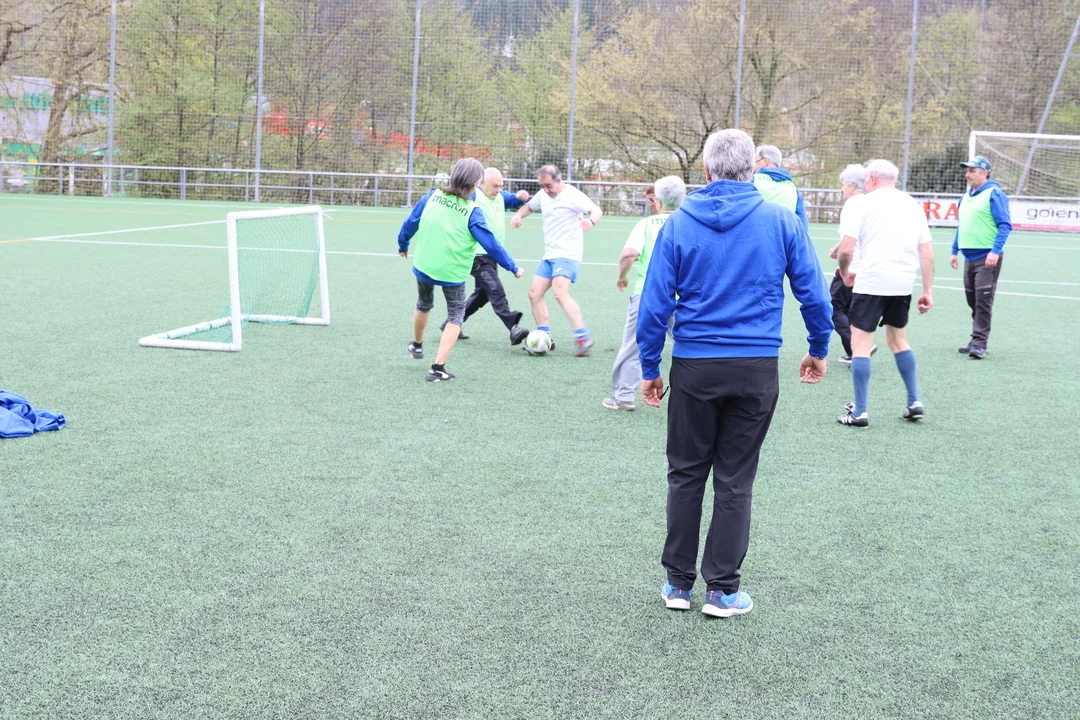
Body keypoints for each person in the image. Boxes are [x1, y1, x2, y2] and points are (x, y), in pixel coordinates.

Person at [637, 129, 833, 618]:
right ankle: (722, 590)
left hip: (694, 365)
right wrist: (818, 347)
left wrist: (649, 366)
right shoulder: (781, 220)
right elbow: (813, 291)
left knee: (686, 474)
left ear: (706, 171)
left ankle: (677, 584)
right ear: (753, 170)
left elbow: (654, 303)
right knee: (735, 478)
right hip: (755, 366)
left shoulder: (678, 222)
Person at [397, 158, 524, 382]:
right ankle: (437, 368)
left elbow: (411, 222)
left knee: (424, 303)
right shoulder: (472, 211)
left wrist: (403, 244)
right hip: (452, 273)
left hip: (425, 265)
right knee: (456, 315)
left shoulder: (431, 195)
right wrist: (512, 266)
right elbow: (491, 244)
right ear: (476, 183)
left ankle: (417, 345)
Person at [835, 159, 934, 427]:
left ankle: (860, 412)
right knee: (898, 341)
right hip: (902, 284)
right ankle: (914, 401)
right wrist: (927, 290)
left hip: (870, 283)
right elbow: (926, 251)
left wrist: (844, 272)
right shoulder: (912, 204)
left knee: (860, 345)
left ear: (871, 179)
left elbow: (846, 249)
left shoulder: (862, 203)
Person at [602, 175, 686, 411]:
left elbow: (629, 254)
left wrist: (622, 276)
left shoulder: (646, 224)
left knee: (633, 345)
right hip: (683, 297)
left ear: (657, 200)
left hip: (648, 295)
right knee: (689, 343)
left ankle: (623, 397)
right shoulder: (688, 223)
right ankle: (694, 394)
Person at [509, 164, 603, 356]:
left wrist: (591, 221)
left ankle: (583, 338)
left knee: (560, 293)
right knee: (534, 294)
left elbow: (596, 210)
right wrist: (519, 215)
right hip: (550, 254)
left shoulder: (572, 195)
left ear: (559, 180)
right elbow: (530, 206)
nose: (546, 190)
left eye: (549, 185)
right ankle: (546, 337)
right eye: (542, 186)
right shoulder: (543, 195)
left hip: (567, 253)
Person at [440, 167, 531, 345]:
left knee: (483, 295)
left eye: (501, 186)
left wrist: (522, 195)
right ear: (482, 183)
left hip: (492, 255)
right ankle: (513, 327)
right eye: (495, 186)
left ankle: (451, 324)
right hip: (476, 255)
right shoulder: (474, 195)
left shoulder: (500, 196)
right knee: (495, 289)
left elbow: (514, 199)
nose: (498, 189)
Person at [950, 155, 1012, 359]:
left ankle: (979, 343)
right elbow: (962, 225)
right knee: (973, 300)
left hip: (987, 257)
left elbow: (1005, 225)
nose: (967, 174)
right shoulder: (965, 197)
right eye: (966, 171)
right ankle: (976, 338)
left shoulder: (995, 194)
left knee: (983, 302)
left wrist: (995, 251)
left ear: (984, 173)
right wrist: (954, 250)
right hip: (969, 257)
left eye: (972, 171)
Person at [827, 163, 877, 365]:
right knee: (849, 309)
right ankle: (854, 350)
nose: (841, 189)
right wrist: (837, 246)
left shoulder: (852, 204)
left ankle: (860, 348)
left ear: (852, 184)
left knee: (832, 308)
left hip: (852, 267)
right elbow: (855, 234)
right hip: (867, 265)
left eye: (844, 184)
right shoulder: (870, 203)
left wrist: (843, 269)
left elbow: (850, 241)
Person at [753, 144, 809, 231]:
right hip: (784, 238)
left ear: (765, 161)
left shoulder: (752, 181)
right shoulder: (793, 189)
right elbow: (803, 226)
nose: (753, 166)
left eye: (755, 162)